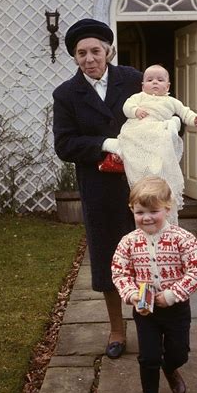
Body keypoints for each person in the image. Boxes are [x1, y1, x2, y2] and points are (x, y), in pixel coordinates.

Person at [52, 19, 143, 359]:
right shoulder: (66, 94)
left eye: (95, 51)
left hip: (141, 185)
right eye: (81, 53)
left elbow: (165, 115)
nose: (89, 58)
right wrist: (107, 143)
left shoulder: (134, 80)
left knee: (145, 255)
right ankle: (117, 330)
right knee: (109, 258)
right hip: (99, 189)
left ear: (108, 50)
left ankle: (147, 323)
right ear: (75, 58)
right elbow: (64, 145)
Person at [111, 176, 197, 393]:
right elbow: (120, 273)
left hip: (176, 309)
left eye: (154, 211)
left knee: (179, 353)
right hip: (146, 313)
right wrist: (132, 294)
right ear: (132, 210)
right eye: (140, 212)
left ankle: (171, 367)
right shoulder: (129, 243)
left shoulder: (182, 239)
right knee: (148, 357)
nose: (147, 218)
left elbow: (196, 271)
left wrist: (171, 295)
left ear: (168, 208)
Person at [104, 64, 197, 224]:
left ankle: (156, 175)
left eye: (160, 80)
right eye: (149, 80)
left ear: (168, 85)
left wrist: (194, 119)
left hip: (158, 129)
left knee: (161, 154)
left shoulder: (171, 101)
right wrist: (135, 111)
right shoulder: (139, 97)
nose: (154, 83)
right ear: (143, 85)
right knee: (131, 141)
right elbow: (126, 106)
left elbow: (185, 111)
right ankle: (139, 169)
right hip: (138, 128)